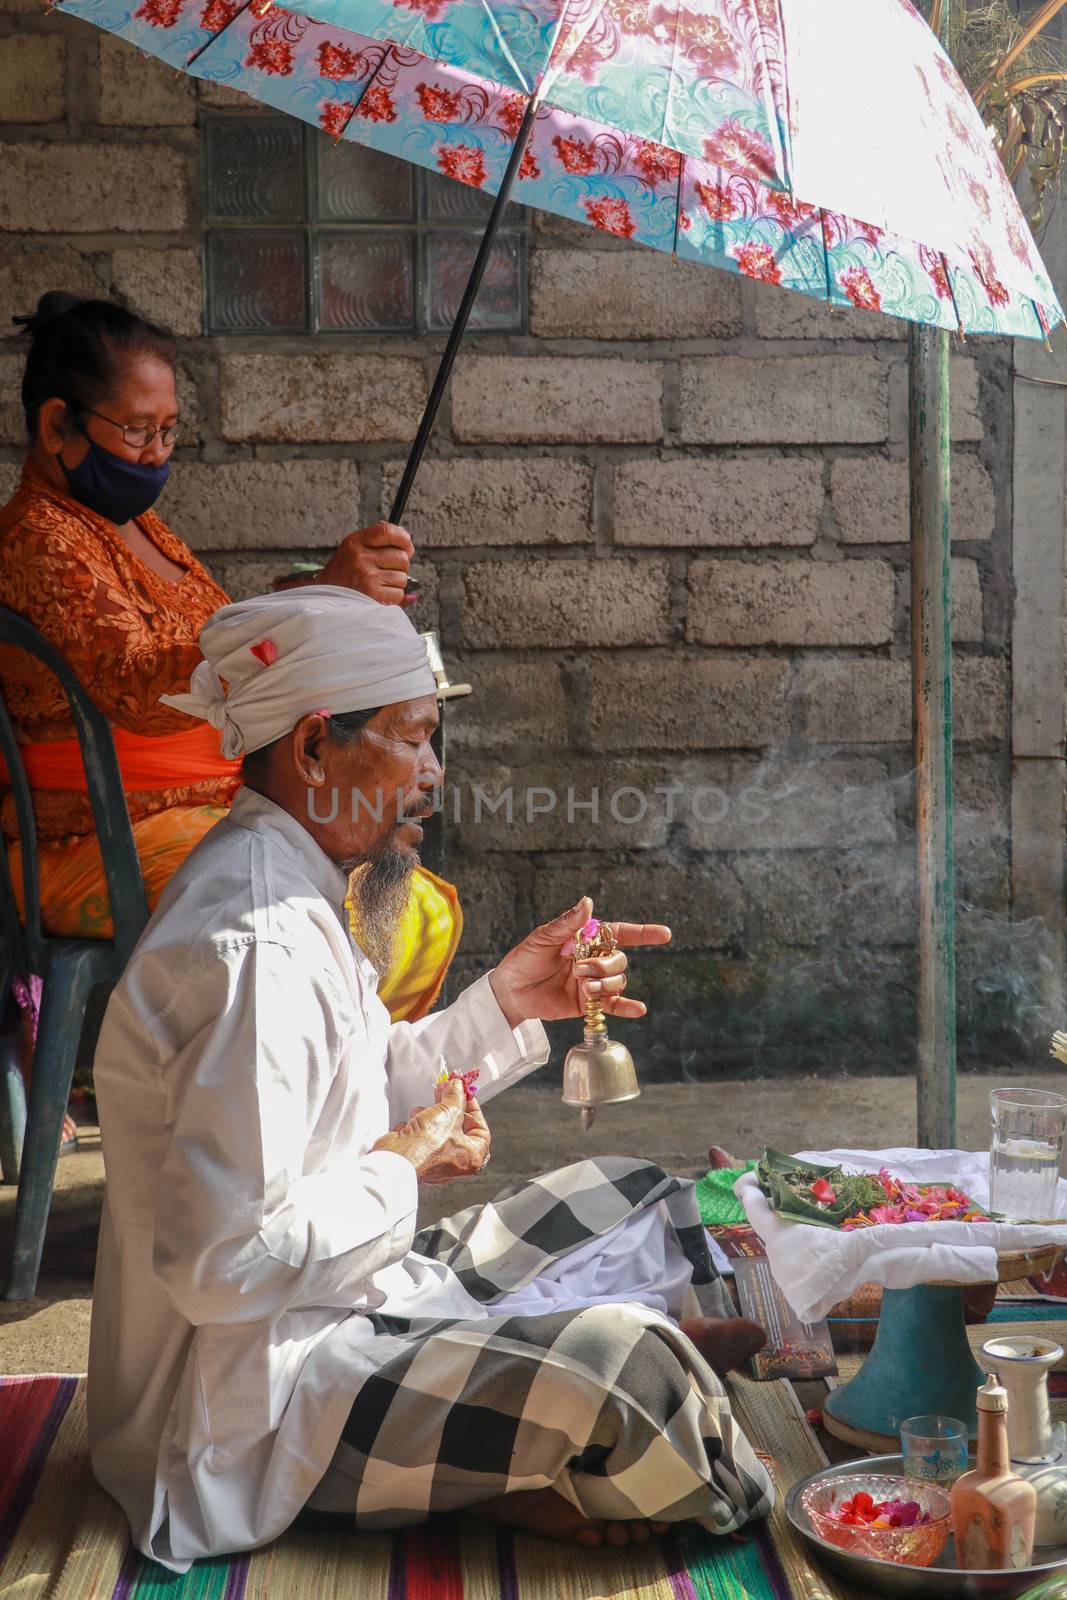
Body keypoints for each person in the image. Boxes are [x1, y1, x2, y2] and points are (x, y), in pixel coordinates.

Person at [87, 586, 772, 1571]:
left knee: (644, 1197)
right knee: (634, 1371)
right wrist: (401, 1168)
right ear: (315, 747)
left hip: (353, 1302)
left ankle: (522, 1442)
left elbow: (367, 1081)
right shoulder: (254, 943)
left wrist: (508, 1001)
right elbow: (220, 1266)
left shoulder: (299, 886)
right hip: (257, 1411)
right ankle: (541, 1446)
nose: (432, 774)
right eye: (412, 740)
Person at [0, 293, 458, 1142]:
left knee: (405, 893)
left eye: (170, 432)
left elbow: (221, 640)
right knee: (364, 913)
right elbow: (141, 685)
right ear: (57, 424)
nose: (156, 452)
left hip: (209, 813)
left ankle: (312, 1119)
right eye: (137, 432)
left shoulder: (138, 526)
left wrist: (321, 608)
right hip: (92, 845)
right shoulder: (37, 540)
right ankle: (268, 1139)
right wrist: (320, 596)